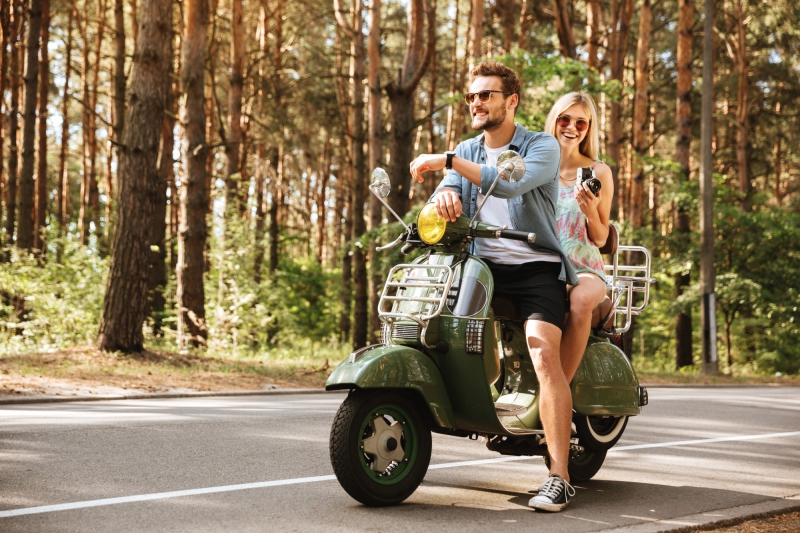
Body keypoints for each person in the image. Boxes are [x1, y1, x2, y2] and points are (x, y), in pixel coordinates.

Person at [409, 61, 580, 512]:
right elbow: (445, 190)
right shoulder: (468, 147)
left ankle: (559, 476)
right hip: (479, 266)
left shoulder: (541, 146)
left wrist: (447, 162)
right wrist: (441, 194)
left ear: (511, 101)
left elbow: (510, 182)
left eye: (486, 95)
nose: (477, 103)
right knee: (430, 329)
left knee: (544, 355)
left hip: (535, 268)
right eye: (472, 97)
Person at [545, 93, 614, 384]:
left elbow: (600, 239)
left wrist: (589, 212)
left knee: (582, 300)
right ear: (554, 121)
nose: (571, 127)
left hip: (584, 268)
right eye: (565, 119)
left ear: (588, 129)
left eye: (581, 123)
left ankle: (558, 391)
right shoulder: (537, 168)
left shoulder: (598, 172)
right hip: (544, 266)